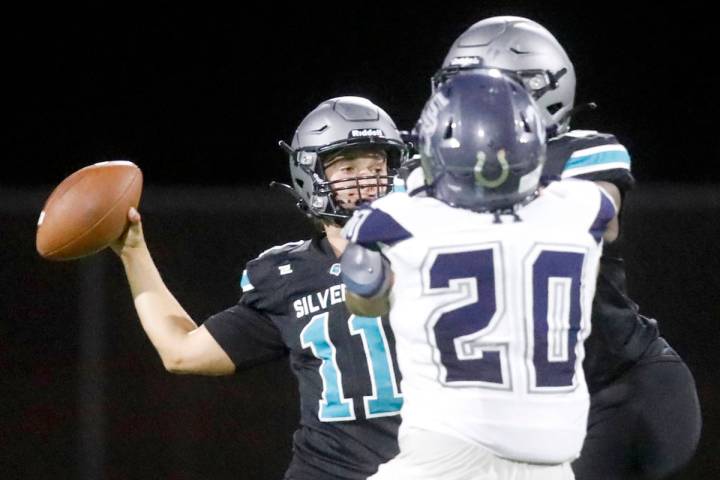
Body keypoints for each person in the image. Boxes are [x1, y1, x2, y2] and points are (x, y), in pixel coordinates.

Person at [423, 16, 701, 479]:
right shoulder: (430, 172)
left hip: (618, 391)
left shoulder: (580, 154)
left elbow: (599, 215)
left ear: (538, 90)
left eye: (481, 89)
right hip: (521, 410)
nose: (462, 105)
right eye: (456, 88)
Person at [111, 96, 408, 479]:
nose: (365, 182)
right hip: (329, 471)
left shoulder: (435, 247)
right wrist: (133, 252)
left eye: (376, 166)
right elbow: (181, 352)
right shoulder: (288, 275)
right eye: (348, 168)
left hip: (441, 465)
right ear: (310, 176)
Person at [341, 70, 618, 480]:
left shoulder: (393, 219)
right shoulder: (585, 207)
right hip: (554, 466)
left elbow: (364, 301)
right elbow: (592, 212)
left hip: (444, 458)